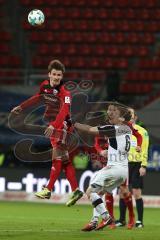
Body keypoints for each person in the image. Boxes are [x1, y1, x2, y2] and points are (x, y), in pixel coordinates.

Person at [11, 59, 83, 204]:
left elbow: (64, 111)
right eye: (54, 74)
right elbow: (38, 98)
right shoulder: (44, 85)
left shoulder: (65, 93)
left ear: (62, 77)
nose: (57, 77)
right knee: (64, 160)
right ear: (49, 74)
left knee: (56, 155)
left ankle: (48, 189)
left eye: (59, 75)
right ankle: (76, 190)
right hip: (53, 125)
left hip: (62, 126)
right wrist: (22, 106)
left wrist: (54, 126)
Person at [81, 104, 141, 231]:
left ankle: (122, 217)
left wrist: (139, 148)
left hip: (124, 164)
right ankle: (96, 221)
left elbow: (139, 137)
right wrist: (102, 150)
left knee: (122, 191)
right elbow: (98, 140)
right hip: (117, 164)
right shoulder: (123, 127)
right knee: (102, 193)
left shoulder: (125, 127)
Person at [116, 109, 149, 228]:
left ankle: (139, 221)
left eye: (131, 114)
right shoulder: (122, 131)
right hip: (124, 164)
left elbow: (145, 149)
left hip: (137, 164)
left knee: (136, 193)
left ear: (135, 117)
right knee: (122, 192)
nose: (129, 116)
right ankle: (121, 219)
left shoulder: (142, 132)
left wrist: (143, 166)